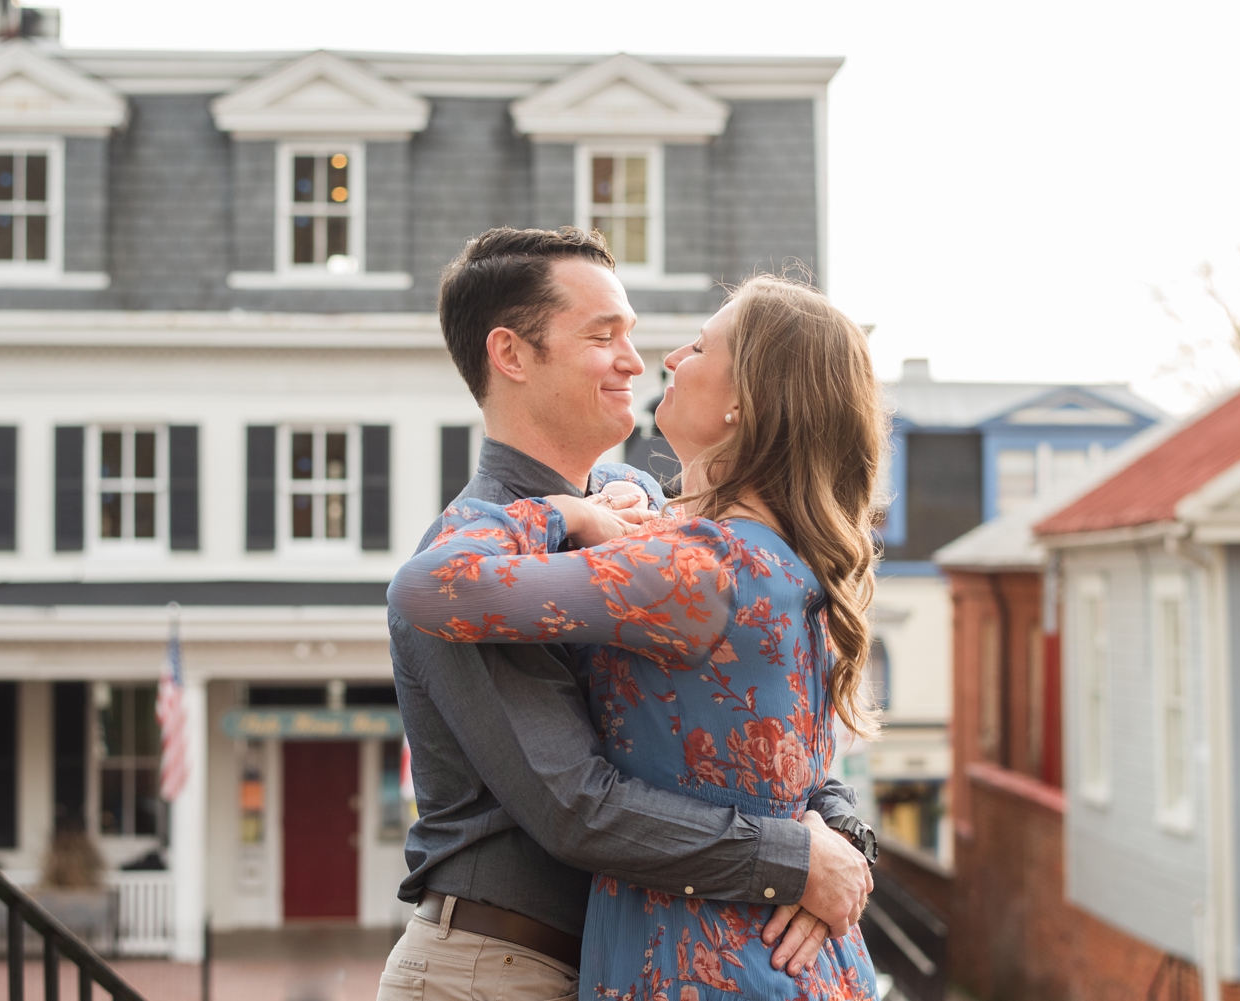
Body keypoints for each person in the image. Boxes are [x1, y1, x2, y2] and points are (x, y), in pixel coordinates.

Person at [376, 228, 877, 1001]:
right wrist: (795, 861)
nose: (639, 361)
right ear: (511, 354)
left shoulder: (656, 518)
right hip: (494, 968)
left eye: (635, 335)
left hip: (632, 960)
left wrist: (841, 832)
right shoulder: (475, 548)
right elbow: (578, 808)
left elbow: (774, 724)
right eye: (603, 336)